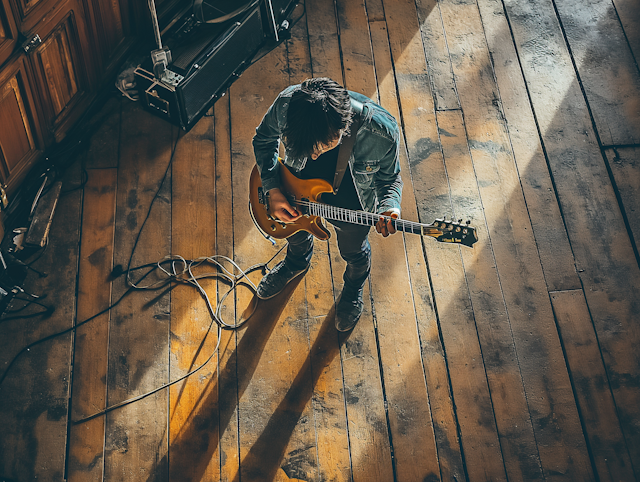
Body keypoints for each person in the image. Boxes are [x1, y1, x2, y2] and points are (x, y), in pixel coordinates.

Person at [252, 77, 402, 332]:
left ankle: (353, 289)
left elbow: (389, 179)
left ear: (342, 128)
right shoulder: (289, 104)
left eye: (321, 146)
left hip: (352, 205)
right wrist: (272, 188)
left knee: (353, 252)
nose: (311, 155)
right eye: (305, 146)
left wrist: (390, 206)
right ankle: (296, 263)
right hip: (295, 189)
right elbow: (264, 140)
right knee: (295, 233)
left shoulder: (380, 132)